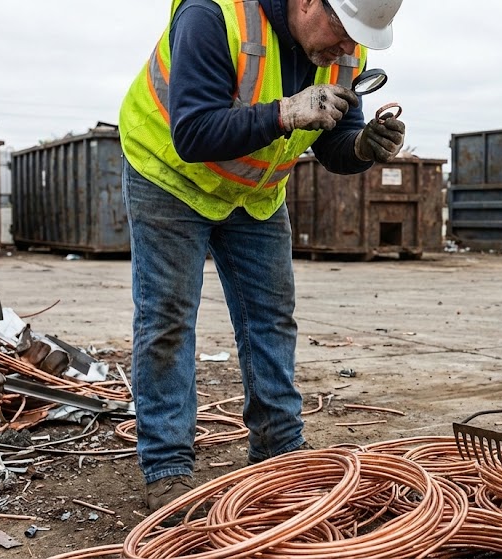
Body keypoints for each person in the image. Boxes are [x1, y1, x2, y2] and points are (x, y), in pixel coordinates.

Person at [118, 0, 406, 512]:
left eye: (358, 38)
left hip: (254, 192)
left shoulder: (346, 50)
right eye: (343, 31)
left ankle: (279, 450)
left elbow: (333, 142)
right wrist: (286, 112)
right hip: (169, 178)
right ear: (309, 2)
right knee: (167, 320)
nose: (348, 47)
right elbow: (193, 132)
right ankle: (167, 467)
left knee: (270, 319)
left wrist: (362, 146)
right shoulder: (213, 16)